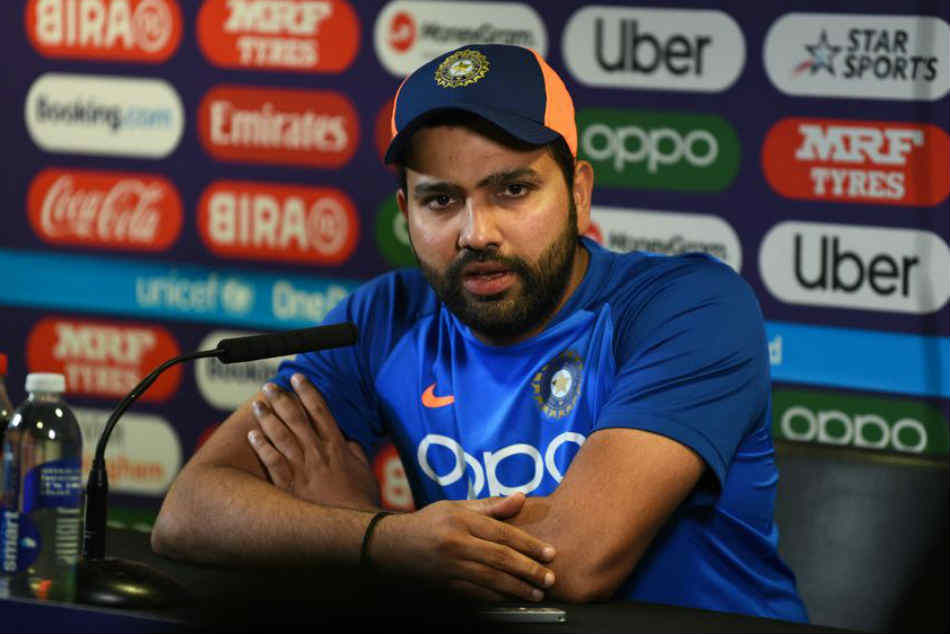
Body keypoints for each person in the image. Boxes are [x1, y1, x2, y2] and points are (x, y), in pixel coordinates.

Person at [152, 44, 808, 621]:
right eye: (441, 200)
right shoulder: (383, 318)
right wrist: (378, 538)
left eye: (513, 190)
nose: (477, 233)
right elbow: (190, 512)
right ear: (406, 212)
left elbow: (574, 560)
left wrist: (367, 536)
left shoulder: (686, 307)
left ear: (578, 193)